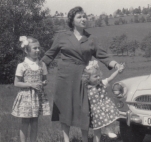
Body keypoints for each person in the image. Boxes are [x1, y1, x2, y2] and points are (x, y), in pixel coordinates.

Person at [41, 6, 124, 142]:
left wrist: (115, 64)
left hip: (84, 78)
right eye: (79, 17)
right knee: (65, 109)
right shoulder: (62, 36)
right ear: (72, 20)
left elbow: (103, 56)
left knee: (84, 110)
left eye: (84, 16)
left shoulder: (90, 38)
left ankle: (85, 139)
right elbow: (48, 56)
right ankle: (66, 139)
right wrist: (38, 71)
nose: (83, 19)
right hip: (65, 78)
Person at [11, 36, 51, 142]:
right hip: (26, 97)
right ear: (26, 50)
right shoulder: (22, 65)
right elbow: (16, 83)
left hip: (37, 97)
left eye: (38, 48)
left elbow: (45, 80)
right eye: (34, 48)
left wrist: (43, 83)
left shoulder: (42, 64)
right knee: (25, 122)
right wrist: (30, 84)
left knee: (35, 122)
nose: (38, 50)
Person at [82, 60, 124, 142]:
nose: (98, 78)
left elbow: (111, 78)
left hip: (105, 106)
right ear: (88, 78)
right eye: (95, 77)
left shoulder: (102, 83)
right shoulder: (86, 88)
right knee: (97, 132)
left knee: (106, 113)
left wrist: (117, 71)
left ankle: (109, 130)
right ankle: (107, 132)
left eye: (98, 76)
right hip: (95, 112)